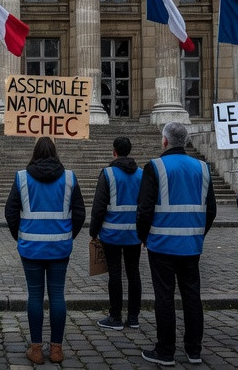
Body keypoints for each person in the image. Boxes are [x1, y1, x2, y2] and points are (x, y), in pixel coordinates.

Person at [136, 122, 216, 366]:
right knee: (192, 295)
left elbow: (144, 209)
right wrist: (198, 234)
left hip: (161, 243)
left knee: (165, 296)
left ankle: (166, 350)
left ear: (164, 141)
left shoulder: (155, 166)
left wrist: (143, 237)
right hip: (191, 244)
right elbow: (210, 209)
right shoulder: (202, 167)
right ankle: (194, 350)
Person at [6, 137, 86, 364]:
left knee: (35, 296)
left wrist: (20, 236)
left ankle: (36, 349)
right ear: (55, 152)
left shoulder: (22, 177)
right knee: (58, 296)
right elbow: (80, 213)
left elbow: (10, 212)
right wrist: (68, 237)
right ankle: (57, 349)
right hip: (60, 247)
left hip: (30, 246)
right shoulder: (69, 177)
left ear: (35, 152)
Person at [91, 136, 143, 331]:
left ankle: (115, 316)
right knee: (134, 273)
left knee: (115, 274)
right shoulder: (141, 173)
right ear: (129, 151)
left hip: (111, 234)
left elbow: (98, 207)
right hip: (134, 235)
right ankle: (134, 317)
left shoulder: (108, 174)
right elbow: (146, 206)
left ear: (114, 152)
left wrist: (93, 231)